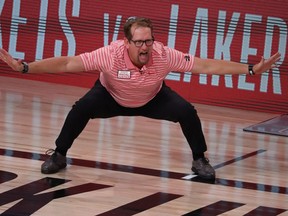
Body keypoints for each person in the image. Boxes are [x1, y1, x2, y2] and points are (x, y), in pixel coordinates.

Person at [0, 17, 280, 180]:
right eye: (139, 42)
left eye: (148, 41)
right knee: (81, 108)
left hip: (153, 97)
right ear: (126, 42)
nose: (145, 47)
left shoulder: (163, 54)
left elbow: (205, 66)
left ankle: (199, 159)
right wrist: (26, 67)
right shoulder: (109, 55)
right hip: (110, 94)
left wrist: (251, 69)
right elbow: (67, 64)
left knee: (186, 111)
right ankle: (59, 154)